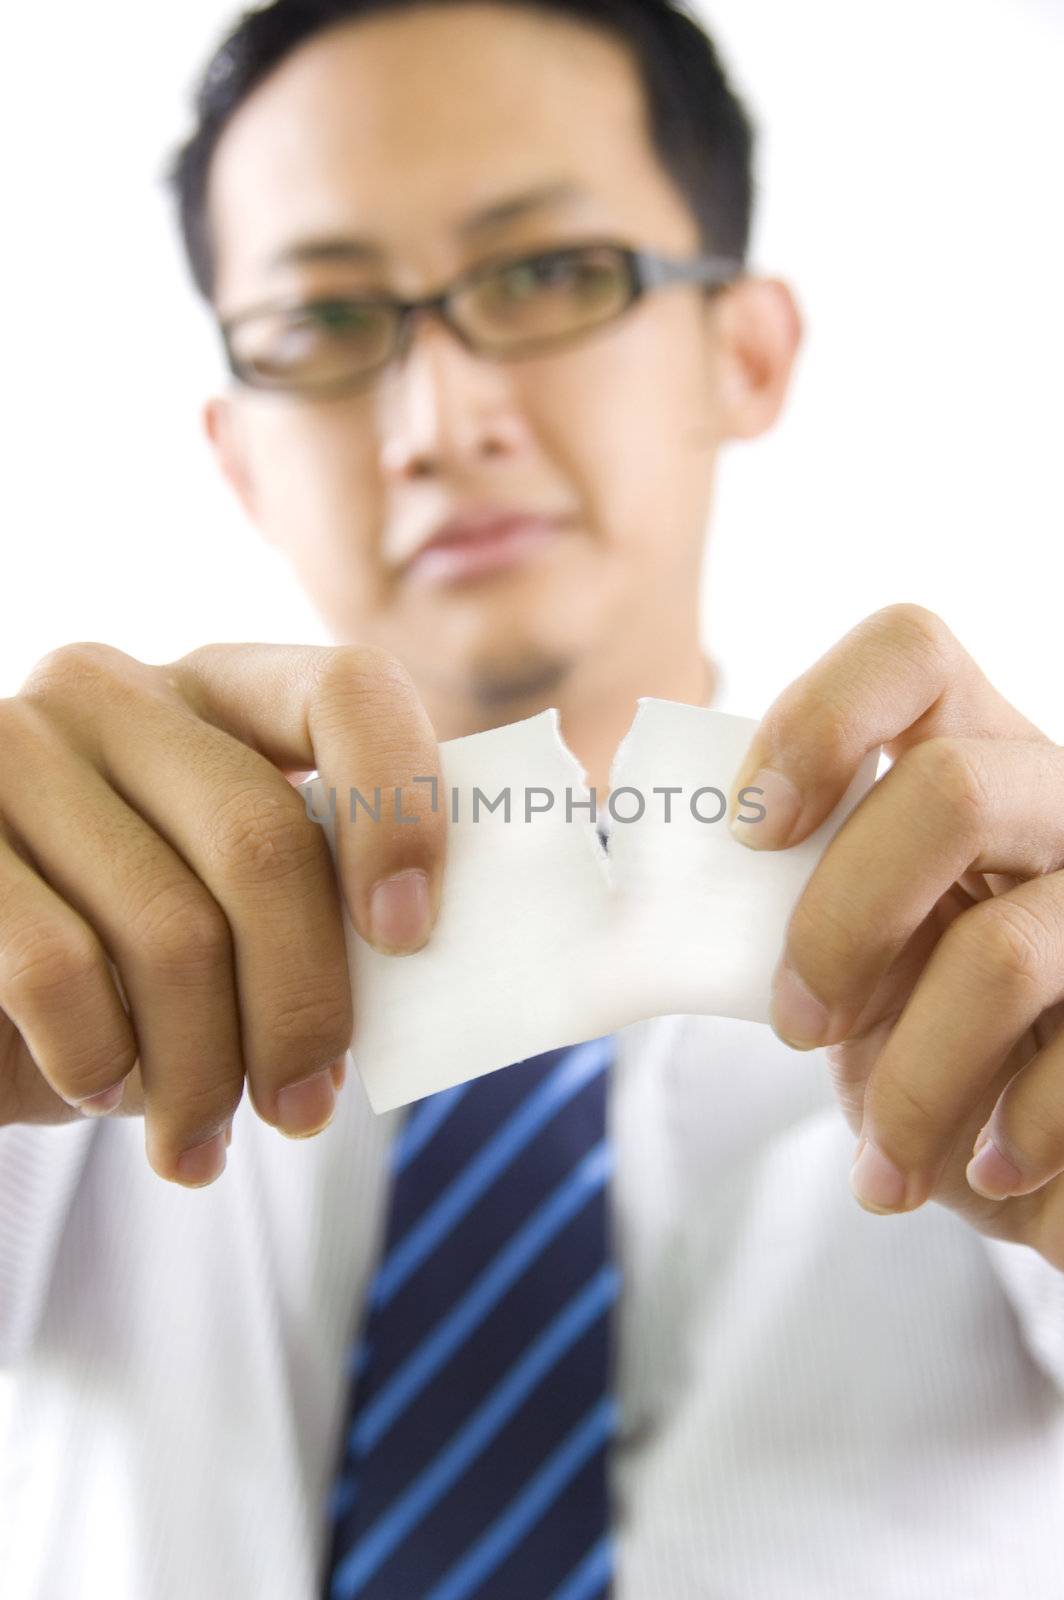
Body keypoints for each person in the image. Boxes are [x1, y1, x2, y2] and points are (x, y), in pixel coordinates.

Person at [2, 1, 1063, 1595]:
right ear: (239, 459)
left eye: (552, 274)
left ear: (748, 350)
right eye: (324, 320)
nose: (441, 423)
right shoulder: (64, 1006)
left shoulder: (1004, 981)